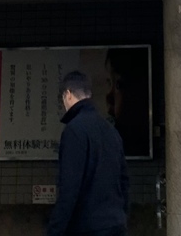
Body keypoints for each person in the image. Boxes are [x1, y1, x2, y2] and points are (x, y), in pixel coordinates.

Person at [46, 70, 130, 236]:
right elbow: (124, 181)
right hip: (116, 225)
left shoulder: (74, 130)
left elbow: (69, 189)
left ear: (68, 94)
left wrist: (54, 231)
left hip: (86, 228)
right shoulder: (110, 130)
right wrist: (120, 216)